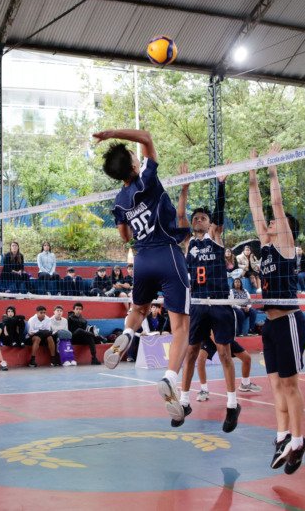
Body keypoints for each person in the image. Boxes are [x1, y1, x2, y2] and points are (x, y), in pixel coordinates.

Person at [94, 128, 191, 425]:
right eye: (133, 156)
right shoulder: (147, 177)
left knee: (139, 309)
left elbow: (125, 236)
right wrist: (112, 133)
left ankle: (126, 335)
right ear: (134, 165)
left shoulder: (119, 201)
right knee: (181, 327)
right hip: (168, 253)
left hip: (142, 259)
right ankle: (170, 377)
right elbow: (147, 136)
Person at [248, 145, 305, 475]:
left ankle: (298, 441)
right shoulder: (266, 247)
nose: (269, 222)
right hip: (270, 324)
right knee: (275, 386)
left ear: (285, 229)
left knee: (289, 385)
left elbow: (275, 204)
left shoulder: (285, 245)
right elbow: (256, 207)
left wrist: (271, 168)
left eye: (275, 222)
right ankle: (282, 436)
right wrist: (251, 171)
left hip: (288, 320)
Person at [175, 162, 241, 431]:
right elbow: (180, 214)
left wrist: (221, 184)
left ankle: (232, 404)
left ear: (210, 223)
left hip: (220, 302)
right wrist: (184, 187)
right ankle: (184, 401)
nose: (198, 220)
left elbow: (220, 214)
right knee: (191, 352)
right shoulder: (188, 242)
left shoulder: (214, 236)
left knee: (224, 353)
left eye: (203, 218)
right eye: (196, 218)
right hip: (198, 304)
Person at [193, 335, 262, 402]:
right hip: (210, 338)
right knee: (201, 359)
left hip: (224, 337)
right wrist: (219, 345)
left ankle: (245, 384)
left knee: (247, 358)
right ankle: (204, 390)